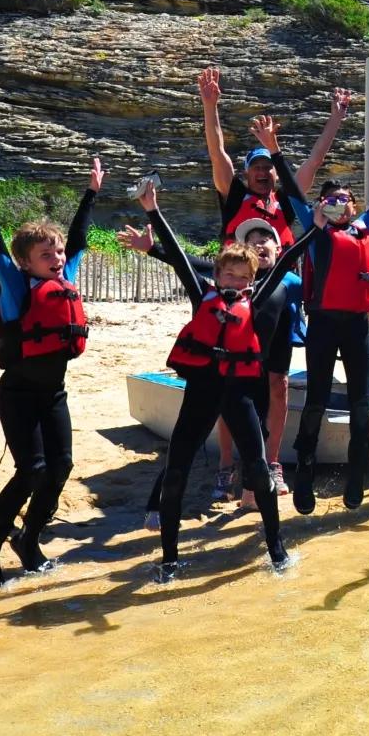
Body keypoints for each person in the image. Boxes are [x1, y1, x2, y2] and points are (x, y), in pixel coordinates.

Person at [0, 150, 101, 592]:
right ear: (26, 262)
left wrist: (91, 192)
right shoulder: (16, 286)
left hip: (54, 393)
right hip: (17, 393)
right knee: (31, 469)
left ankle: (29, 541)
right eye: (45, 252)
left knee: (62, 465)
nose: (57, 256)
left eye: (58, 250)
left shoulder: (63, 276)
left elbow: (81, 239)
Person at [140, 180, 304, 579]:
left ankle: (276, 549)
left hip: (240, 395)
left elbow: (286, 261)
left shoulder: (260, 296)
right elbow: (179, 257)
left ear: (250, 280)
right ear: (218, 275)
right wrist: (153, 211)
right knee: (177, 468)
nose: (233, 282)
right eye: (227, 275)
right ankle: (169, 559)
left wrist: (313, 226)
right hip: (202, 393)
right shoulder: (203, 293)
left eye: (240, 277)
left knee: (260, 471)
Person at [262, 114, 369, 515]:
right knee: (317, 402)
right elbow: (291, 189)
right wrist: (274, 150)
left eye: (346, 199)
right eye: (332, 200)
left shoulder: (367, 225)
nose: (340, 205)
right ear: (322, 205)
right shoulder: (313, 226)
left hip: (358, 326)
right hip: (324, 324)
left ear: (355, 206)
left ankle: (356, 474)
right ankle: (304, 473)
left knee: (361, 404)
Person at [199, 67, 347, 244]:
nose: (262, 171)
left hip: (278, 270)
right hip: (242, 270)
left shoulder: (286, 200)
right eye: (256, 167)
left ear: (277, 174)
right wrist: (209, 106)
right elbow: (217, 152)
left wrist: (335, 119)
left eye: (268, 167)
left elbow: (314, 161)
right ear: (246, 174)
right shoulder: (235, 196)